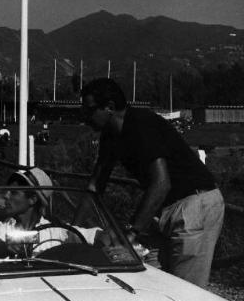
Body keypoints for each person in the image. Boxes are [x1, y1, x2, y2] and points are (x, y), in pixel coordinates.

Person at [81, 78, 224, 287]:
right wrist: (71, 230)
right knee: (150, 282)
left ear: (109, 107)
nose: (84, 117)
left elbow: (161, 182)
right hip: (166, 209)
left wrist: (130, 232)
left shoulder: (141, 123)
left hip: (194, 204)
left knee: (184, 292)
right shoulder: (110, 136)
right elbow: (94, 187)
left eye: (89, 110)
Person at [0, 168, 101, 258]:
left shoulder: (57, 231)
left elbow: (96, 236)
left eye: (13, 192)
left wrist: (114, 246)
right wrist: (7, 247)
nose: (6, 195)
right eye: (7, 191)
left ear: (32, 199)